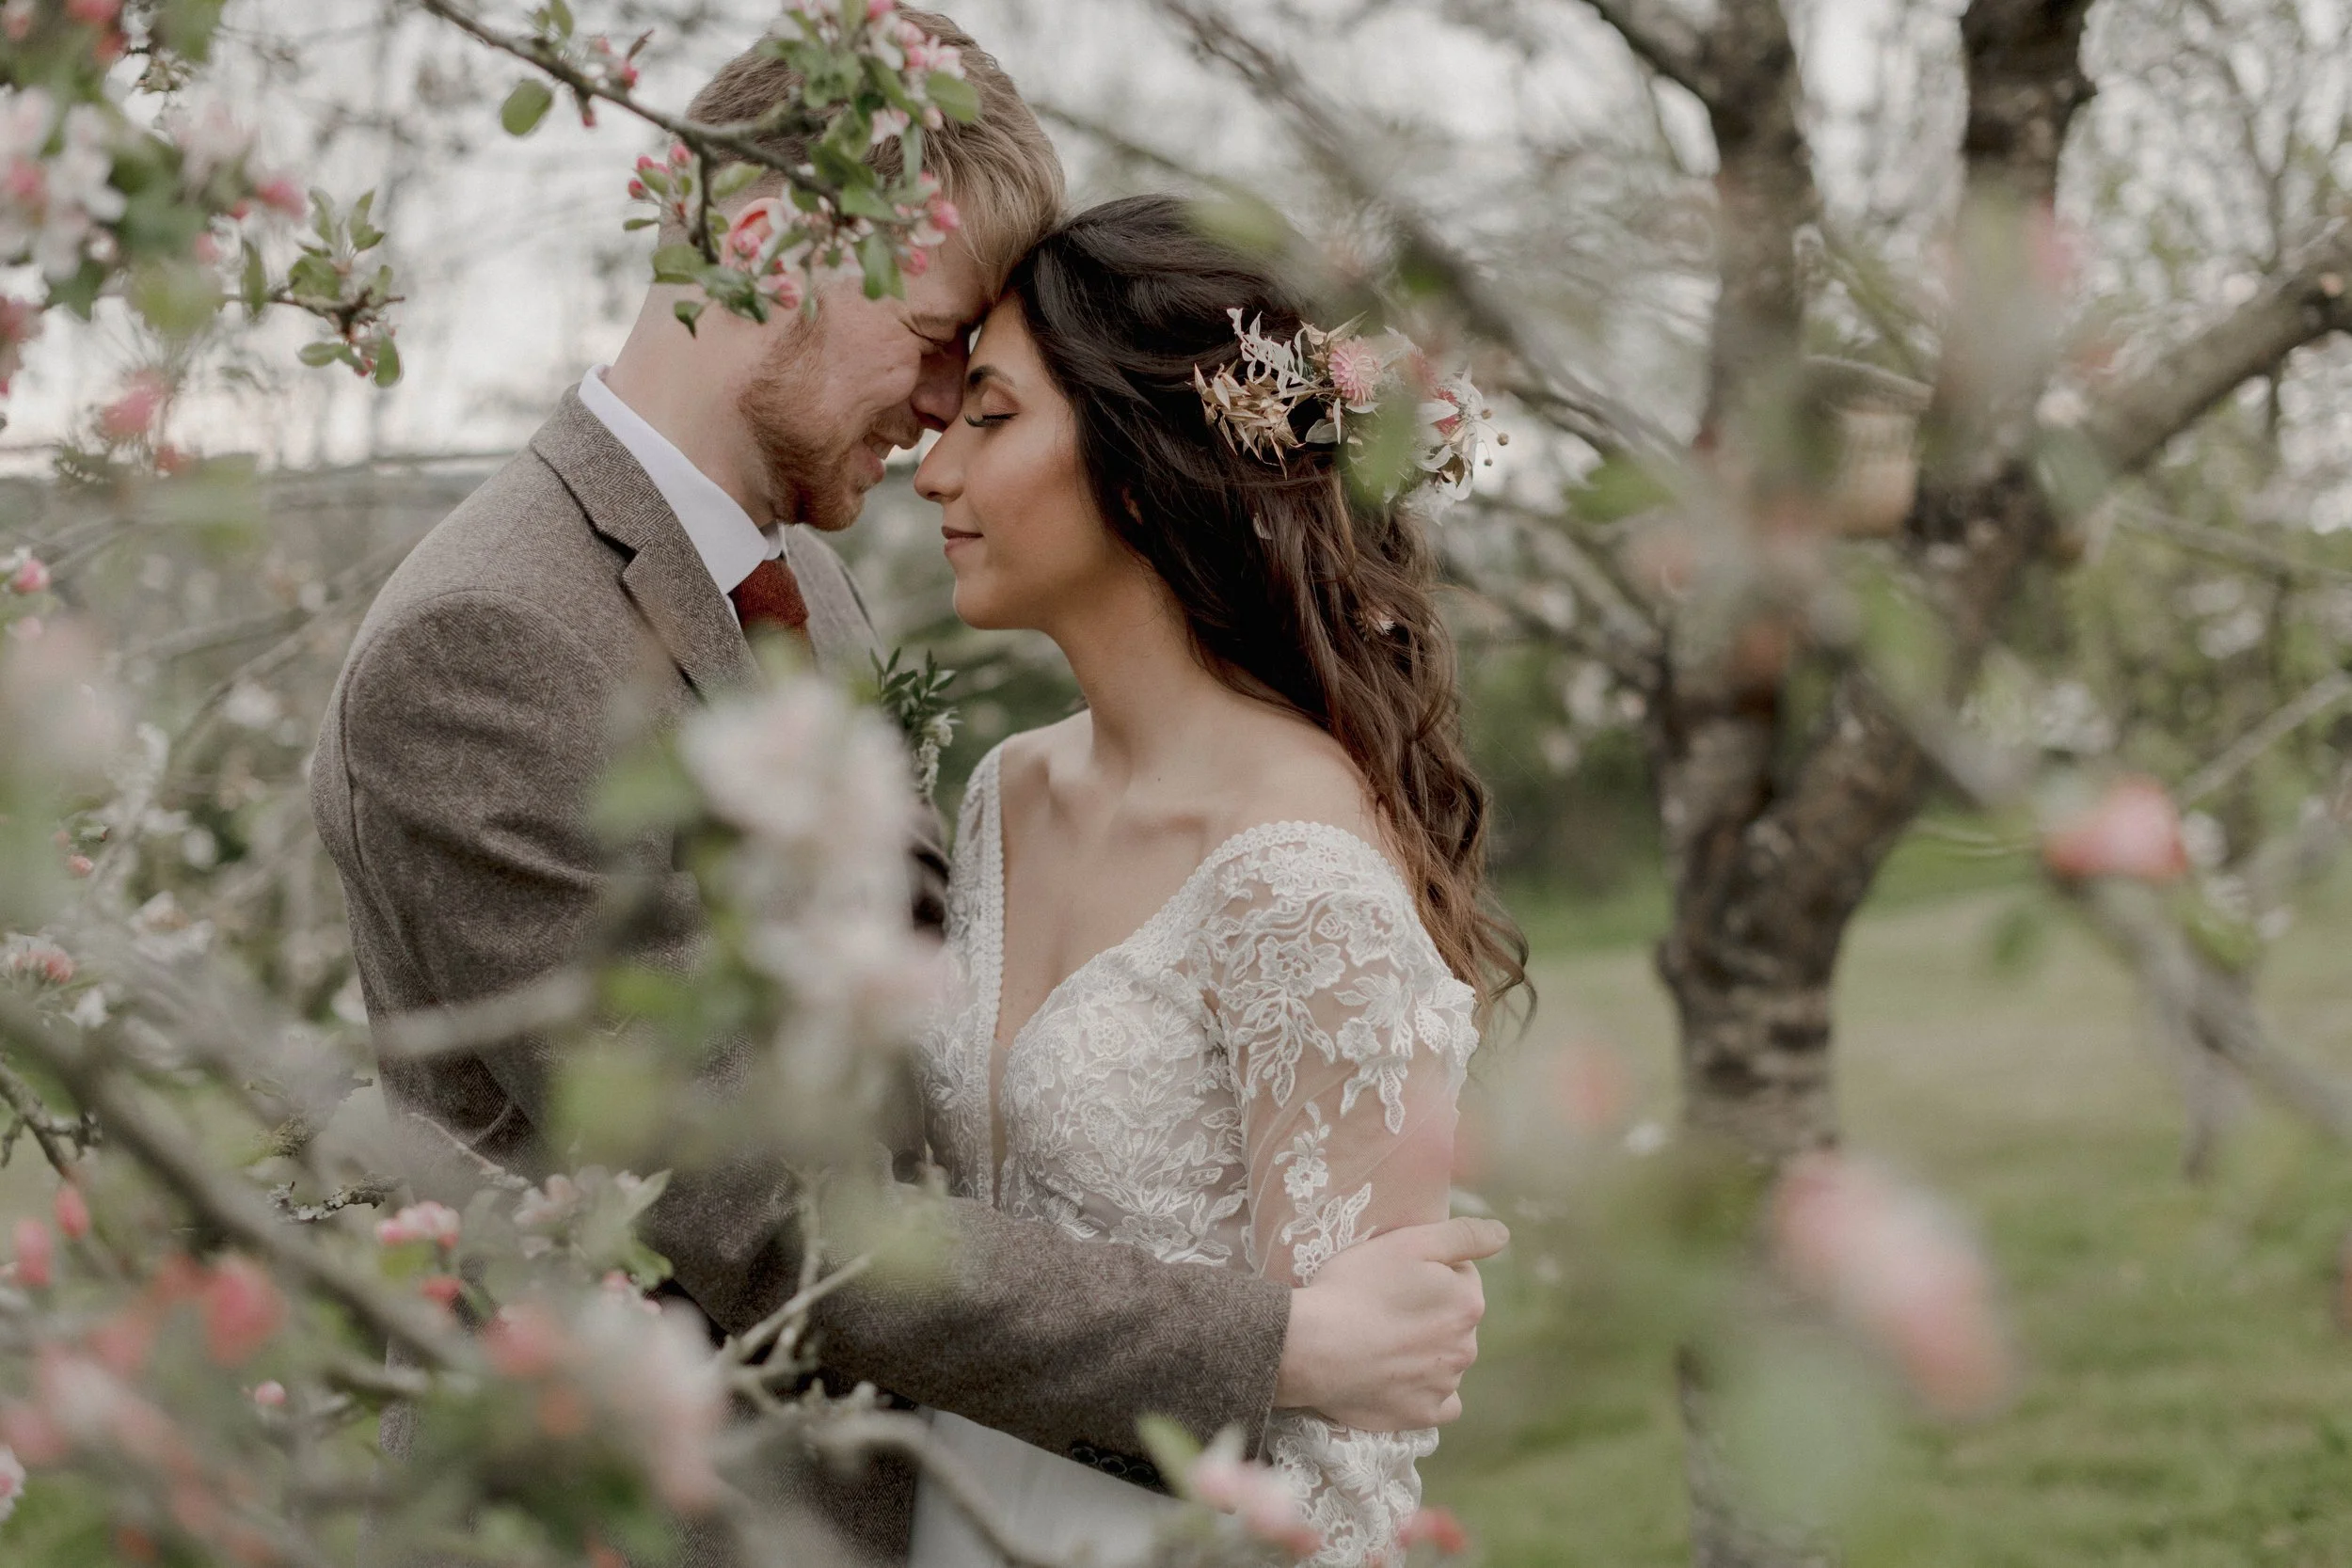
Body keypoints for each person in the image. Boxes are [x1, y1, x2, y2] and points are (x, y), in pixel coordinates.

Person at [308, 16, 1503, 1565]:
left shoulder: (806, 580)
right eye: (944, 338)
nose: (944, 410)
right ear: (773, 242)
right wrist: (1280, 1342)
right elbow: (754, 1212)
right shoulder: (493, 641)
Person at [906, 195, 1528, 1567]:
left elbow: (1353, 1456)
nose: (931, 470)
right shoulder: (1005, 792)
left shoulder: (1301, 878)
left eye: (990, 417)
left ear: (1139, 464)